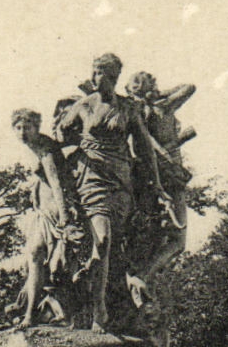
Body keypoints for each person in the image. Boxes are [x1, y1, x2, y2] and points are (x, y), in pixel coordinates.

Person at [54, 53, 151, 331]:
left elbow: (144, 147)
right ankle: (99, 308)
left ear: (114, 77)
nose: (97, 78)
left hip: (120, 181)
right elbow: (61, 134)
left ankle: (101, 296)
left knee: (111, 245)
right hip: (90, 179)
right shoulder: (84, 105)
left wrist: (155, 183)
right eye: (94, 72)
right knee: (103, 238)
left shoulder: (128, 108)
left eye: (103, 73)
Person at [125, 72, 196, 305]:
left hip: (144, 175)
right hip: (169, 174)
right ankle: (141, 276)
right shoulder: (163, 108)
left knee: (150, 234)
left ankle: (137, 277)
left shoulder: (131, 111)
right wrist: (158, 94)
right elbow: (189, 86)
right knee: (178, 239)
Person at [8, 108, 81, 326]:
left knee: (40, 257)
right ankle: (31, 313)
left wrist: (65, 217)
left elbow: (57, 184)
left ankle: (33, 314)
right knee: (36, 256)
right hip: (44, 210)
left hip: (55, 212)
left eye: (27, 128)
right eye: (18, 128)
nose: (22, 133)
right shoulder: (35, 146)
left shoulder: (45, 148)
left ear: (36, 128)